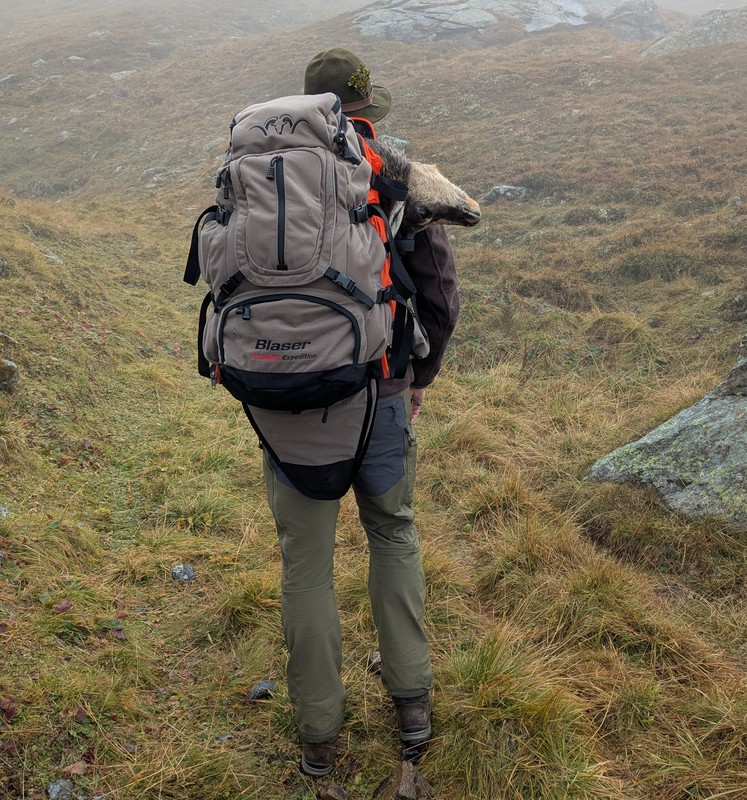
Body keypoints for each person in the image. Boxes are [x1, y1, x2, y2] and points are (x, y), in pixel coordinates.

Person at [263, 47, 461, 778]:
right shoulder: (394, 171)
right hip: (378, 388)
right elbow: (438, 293)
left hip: (288, 399)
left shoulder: (268, 171)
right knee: (392, 533)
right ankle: (412, 702)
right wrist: (419, 377)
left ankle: (319, 734)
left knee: (306, 564)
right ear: (365, 107)